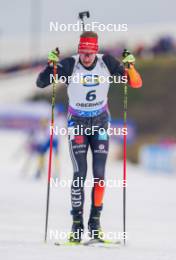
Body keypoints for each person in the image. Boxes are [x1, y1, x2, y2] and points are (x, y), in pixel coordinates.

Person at [36, 31, 142, 242]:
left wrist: (130, 67)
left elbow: (135, 83)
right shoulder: (69, 64)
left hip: (101, 122)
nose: (86, 57)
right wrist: (51, 66)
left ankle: (95, 224)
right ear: (78, 50)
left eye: (90, 53)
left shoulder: (107, 62)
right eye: (83, 53)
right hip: (78, 123)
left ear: (96, 50)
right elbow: (41, 83)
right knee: (79, 174)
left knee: (100, 175)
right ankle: (76, 226)